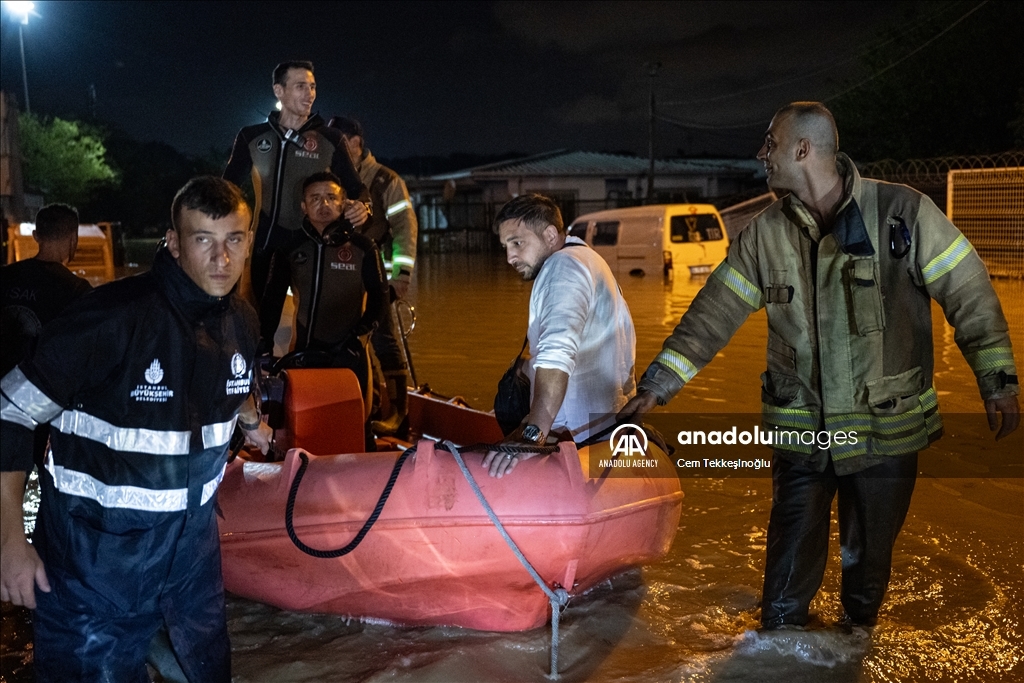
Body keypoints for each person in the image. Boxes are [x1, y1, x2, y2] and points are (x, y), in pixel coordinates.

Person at [619, 102, 1020, 630]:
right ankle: (779, 657)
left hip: (885, 431)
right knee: (783, 591)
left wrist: (997, 381)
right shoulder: (765, 234)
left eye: (770, 142)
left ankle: (853, 649)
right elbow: (712, 313)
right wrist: (657, 387)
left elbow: (970, 294)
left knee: (867, 580)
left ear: (802, 150)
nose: (761, 154)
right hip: (803, 433)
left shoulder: (905, 213)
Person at [0, 177, 273, 682]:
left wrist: (253, 421)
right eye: (203, 240)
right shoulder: (109, 318)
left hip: (191, 566)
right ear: (172, 242)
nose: (222, 258)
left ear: (249, 241)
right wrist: (9, 542)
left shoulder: (242, 322)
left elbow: (232, 387)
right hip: (93, 568)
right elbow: (10, 412)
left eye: (234, 239)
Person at [483, 193, 637, 478]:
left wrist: (532, 435)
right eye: (506, 246)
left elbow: (557, 351)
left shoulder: (563, 267)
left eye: (518, 243)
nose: (510, 257)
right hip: (610, 434)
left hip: (582, 443)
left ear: (551, 235)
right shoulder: (587, 260)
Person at [224, 60, 370, 357]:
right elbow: (226, 189)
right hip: (266, 244)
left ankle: (315, 381)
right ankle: (253, 385)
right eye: (301, 86)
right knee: (256, 329)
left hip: (314, 248)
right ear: (279, 90)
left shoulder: (329, 139)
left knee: (318, 326)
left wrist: (363, 208)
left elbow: (357, 190)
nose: (310, 93)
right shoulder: (251, 137)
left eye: (313, 86)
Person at [328, 116, 418, 435]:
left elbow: (406, 227)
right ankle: (361, 400)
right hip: (340, 271)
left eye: (340, 144)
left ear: (356, 144)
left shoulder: (385, 180)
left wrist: (401, 274)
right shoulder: (331, 179)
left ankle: (398, 413)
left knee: (384, 336)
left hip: (376, 268)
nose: (335, 150)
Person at [285, 171, 389, 419]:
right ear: (303, 206)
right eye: (316, 199)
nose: (324, 205)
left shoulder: (364, 248)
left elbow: (379, 299)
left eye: (332, 197)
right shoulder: (290, 248)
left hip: (350, 353)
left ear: (344, 204)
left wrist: (358, 338)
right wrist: (264, 345)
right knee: (307, 424)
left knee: (355, 426)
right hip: (305, 352)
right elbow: (272, 299)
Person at [1, 204, 92, 466]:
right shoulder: (76, 290)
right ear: (73, 238)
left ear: (36, 236)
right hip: (42, 407)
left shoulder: (5, 277)